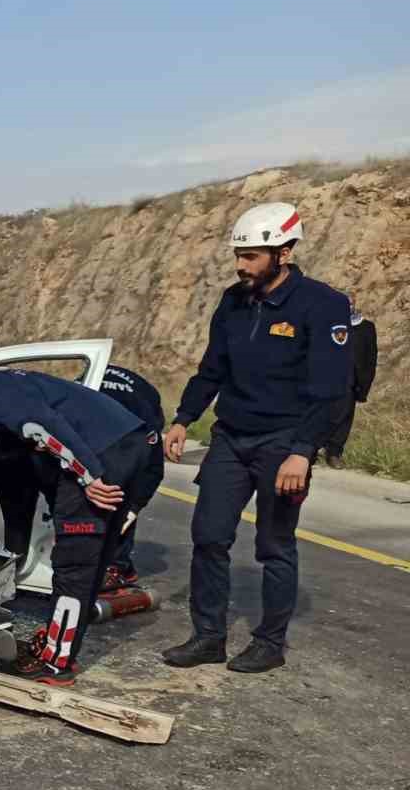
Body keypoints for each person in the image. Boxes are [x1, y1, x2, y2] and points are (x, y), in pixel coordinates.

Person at [160, 203, 351, 674]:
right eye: (239, 255)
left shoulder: (321, 304)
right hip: (231, 437)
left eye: (253, 256)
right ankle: (208, 637)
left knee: (275, 545)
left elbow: (331, 392)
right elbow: (212, 369)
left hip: (284, 442)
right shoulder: (233, 300)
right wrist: (184, 418)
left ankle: (270, 643)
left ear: (284, 252)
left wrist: (302, 452)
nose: (242, 265)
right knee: (208, 537)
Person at [0, 344, 154, 686]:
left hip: (100, 454)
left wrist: (90, 476)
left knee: (73, 566)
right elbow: (23, 447)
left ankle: (56, 664)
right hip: (131, 444)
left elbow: (40, 426)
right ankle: (60, 649)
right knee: (91, 563)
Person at [97, 364, 167, 590]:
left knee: (121, 497)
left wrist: (133, 509)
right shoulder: (72, 411)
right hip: (96, 407)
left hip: (140, 403)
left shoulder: (144, 426)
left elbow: (153, 470)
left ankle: (119, 567)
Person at [320, 301, 378, 469]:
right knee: (323, 412)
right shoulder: (331, 324)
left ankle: (334, 453)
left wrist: (365, 385)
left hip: (352, 380)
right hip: (329, 377)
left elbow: (371, 357)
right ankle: (313, 447)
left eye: (350, 303)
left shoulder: (366, 327)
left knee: (344, 416)